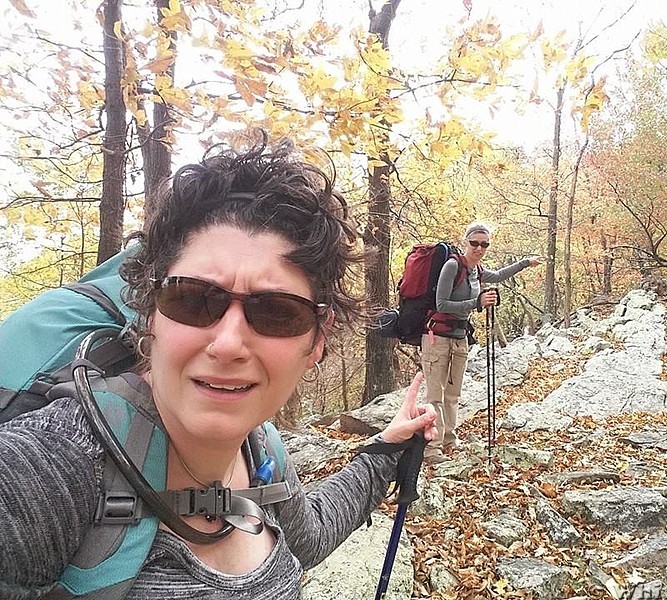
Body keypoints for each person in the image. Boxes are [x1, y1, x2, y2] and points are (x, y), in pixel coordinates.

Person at [0, 137, 437, 598]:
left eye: (276, 311)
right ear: (150, 313)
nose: (228, 344)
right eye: (193, 299)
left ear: (317, 340)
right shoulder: (49, 467)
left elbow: (308, 537)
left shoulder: (261, 452)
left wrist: (386, 450)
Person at [421, 221, 543, 464]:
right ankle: (431, 449)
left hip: (459, 337)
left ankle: (449, 440)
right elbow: (441, 304)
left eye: (484, 244)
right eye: (475, 243)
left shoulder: (476, 270)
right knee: (435, 395)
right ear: (465, 242)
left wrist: (525, 263)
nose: (479, 248)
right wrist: (477, 303)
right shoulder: (452, 266)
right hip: (437, 339)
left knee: (453, 394)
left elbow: (498, 276)